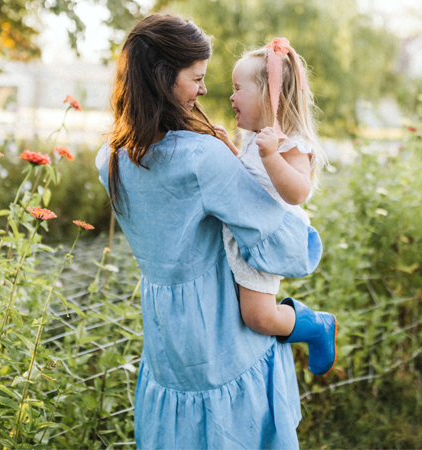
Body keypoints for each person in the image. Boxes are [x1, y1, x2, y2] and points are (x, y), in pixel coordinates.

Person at [95, 13, 324, 449]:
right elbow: (281, 243)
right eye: (196, 77)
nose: (204, 89)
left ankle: (309, 325)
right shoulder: (202, 158)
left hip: (165, 336)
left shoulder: (109, 159)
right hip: (223, 334)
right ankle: (311, 323)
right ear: (164, 78)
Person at [212, 38, 337, 376]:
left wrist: (271, 155)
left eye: (238, 89)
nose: (231, 97)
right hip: (246, 231)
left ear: (270, 96)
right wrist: (229, 147)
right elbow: (251, 178)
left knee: (259, 317)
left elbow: (298, 191)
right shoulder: (255, 137)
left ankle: (316, 325)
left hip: (266, 237)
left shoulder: (289, 143)